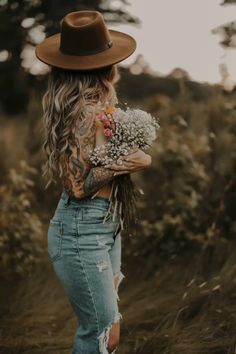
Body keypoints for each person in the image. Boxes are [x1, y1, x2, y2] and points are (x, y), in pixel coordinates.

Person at [35, 10, 152, 354]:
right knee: (101, 333)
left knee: (111, 327)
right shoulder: (81, 113)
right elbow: (77, 186)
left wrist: (136, 154)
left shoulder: (105, 104)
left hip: (106, 225)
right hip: (79, 231)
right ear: (106, 63)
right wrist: (127, 164)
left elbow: (109, 157)